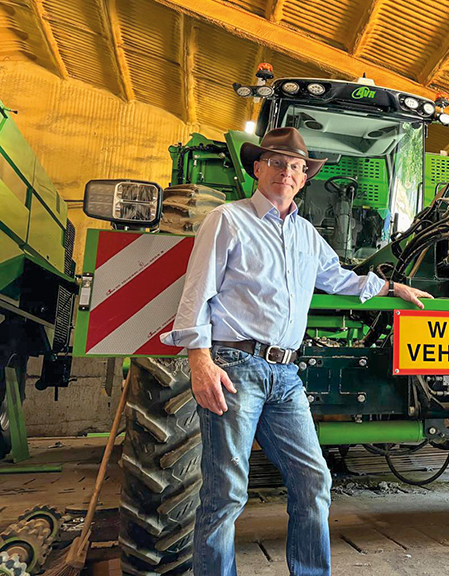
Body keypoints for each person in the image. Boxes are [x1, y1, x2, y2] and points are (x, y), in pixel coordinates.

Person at [160, 127, 432, 576]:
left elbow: (338, 277)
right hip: (235, 368)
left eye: (295, 167)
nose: (285, 172)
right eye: (276, 163)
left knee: (313, 481)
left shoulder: (306, 234)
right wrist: (199, 360)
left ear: (304, 178)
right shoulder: (227, 220)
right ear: (257, 168)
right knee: (226, 492)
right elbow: (197, 291)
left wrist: (390, 287)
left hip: (286, 375)